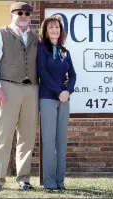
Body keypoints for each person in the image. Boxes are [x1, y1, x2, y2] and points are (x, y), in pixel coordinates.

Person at [0, 2, 38, 192]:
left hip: (31, 89)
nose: (23, 16)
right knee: (3, 134)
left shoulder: (35, 37)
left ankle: (24, 178)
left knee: (27, 136)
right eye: (19, 13)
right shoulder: (1, 33)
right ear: (12, 15)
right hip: (7, 86)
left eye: (26, 13)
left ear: (30, 16)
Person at [37, 15, 76, 191]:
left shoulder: (64, 51)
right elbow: (42, 72)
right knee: (49, 142)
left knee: (62, 141)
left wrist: (68, 91)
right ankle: (50, 183)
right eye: (51, 27)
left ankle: (61, 181)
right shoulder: (42, 49)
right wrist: (59, 91)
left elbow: (73, 74)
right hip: (48, 98)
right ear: (45, 31)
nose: (54, 30)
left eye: (57, 28)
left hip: (64, 99)